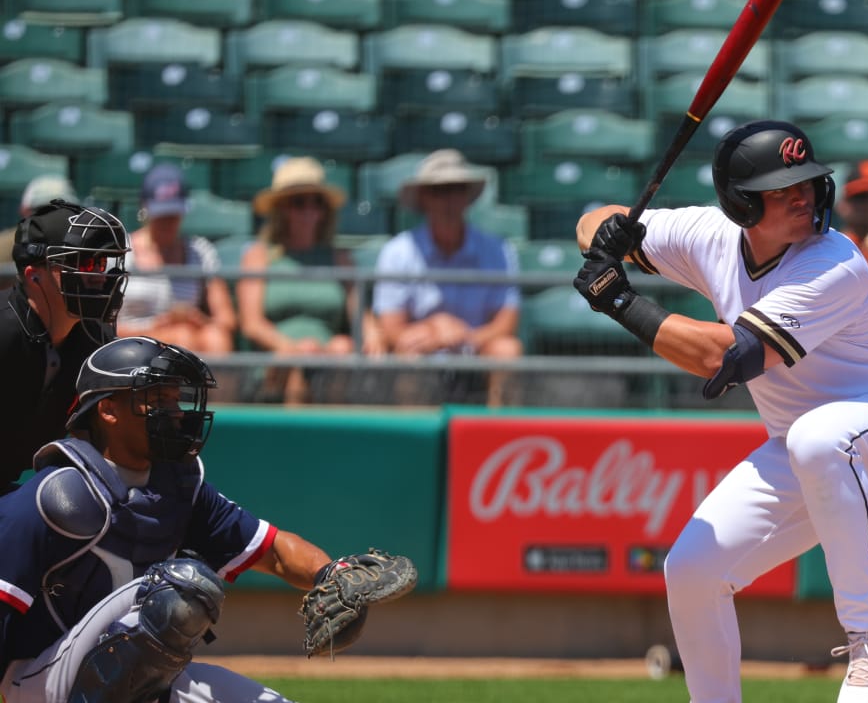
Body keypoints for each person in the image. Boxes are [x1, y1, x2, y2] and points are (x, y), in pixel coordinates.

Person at [572, 120, 868, 703]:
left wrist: (619, 298)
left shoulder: (834, 262)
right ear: (742, 202)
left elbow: (721, 357)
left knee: (820, 438)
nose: (803, 195)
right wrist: (606, 234)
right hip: (807, 449)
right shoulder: (710, 233)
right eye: (782, 188)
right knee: (693, 572)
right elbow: (592, 219)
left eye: (807, 182)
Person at [0, 336, 412, 701]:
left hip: (136, 678)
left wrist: (331, 574)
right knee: (184, 586)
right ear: (107, 410)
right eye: (156, 400)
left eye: (174, 399)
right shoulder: (56, 496)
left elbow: (274, 550)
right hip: (37, 681)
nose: (175, 411)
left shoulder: (177, 484)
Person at [373, 149, 522, 406]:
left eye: (457, 189)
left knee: (508, 350)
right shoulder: (397, 252)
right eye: (439, 191)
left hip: (477, 353)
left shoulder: (499, 250)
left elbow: (506, 324)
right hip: (421, 352)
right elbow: (391, 329)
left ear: (467, 197)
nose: (449, 200)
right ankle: (413, 439)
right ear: (424, 198)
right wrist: (433, 331)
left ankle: (499, 435)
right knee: (409, 354)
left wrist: (464, 338)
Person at [0, 201, 128, 488]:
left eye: (100, 263)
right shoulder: (4, 331)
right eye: (83, 263)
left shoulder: (97, 340)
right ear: (35, 275)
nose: (97, 276)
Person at [238, 157, 379, 404]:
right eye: (298, 202)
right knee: (297, 368)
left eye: (317, 203)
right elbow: (252, 323)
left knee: (343, 349)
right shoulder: (258, 256)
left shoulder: (341, 258)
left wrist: (373, 336)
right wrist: (294, 348)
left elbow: (360, 315)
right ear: (282, 209)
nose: (309, 210)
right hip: (277, 358)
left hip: (329, 356)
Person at [117, 164, 236, 357]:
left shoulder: (200, 251)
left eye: (173, 214)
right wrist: (156, 325)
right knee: (181, 338)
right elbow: (105, 326)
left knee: (216, 338)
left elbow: (226, 319)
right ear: (145, 208)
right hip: (133, 342)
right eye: (161, 214)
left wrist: (197, 319)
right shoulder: (123, 252)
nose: (168, 221)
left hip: (187, 335)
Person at [0, 175, 80, 290]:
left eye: (62, 212)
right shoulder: (3, 247)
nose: (51, 220)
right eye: (42, 212)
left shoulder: (85, 245)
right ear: (24, 210)